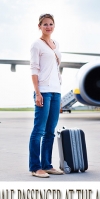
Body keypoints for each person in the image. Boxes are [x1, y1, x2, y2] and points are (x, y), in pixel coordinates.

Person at [29, 13, 63, 178]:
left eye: (51, 24)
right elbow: (34, 70)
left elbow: (56, 69)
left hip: (56, 91)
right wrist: (37, 93)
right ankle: (35, 167)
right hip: (43, 90)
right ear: (39, 26)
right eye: (45, 24)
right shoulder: (36, 45)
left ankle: (47, 165)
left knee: (50, 131)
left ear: (54, 26)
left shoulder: (55, 44)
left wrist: (59, 90)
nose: (48, 27)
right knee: (39, 130)